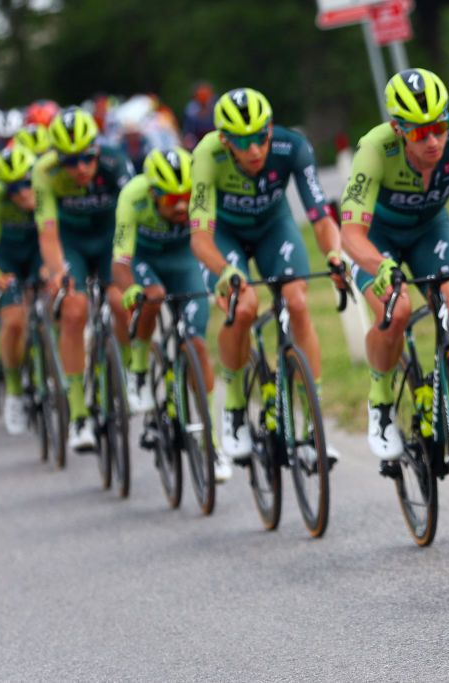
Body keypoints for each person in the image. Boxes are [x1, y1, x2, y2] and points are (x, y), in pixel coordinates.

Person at [339, 68, 449, 470]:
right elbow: (350, 233)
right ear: (397, 128)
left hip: (429, 230)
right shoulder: (375, 148)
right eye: (420, 133)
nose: (434, 140)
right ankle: (382, 402)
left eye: (438, 127)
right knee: (396, 310)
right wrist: (379, 264)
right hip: (377, 238)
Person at [189, 87, 343, 469]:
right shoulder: (207, 156)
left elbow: (320, 214)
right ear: (225, 140)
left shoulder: (293, 147)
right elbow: (199, 237)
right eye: (244, 141)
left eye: (261, 136)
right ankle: (236, 408)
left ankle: (311, 422)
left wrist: (335, 254)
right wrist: (225, 271)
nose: (255, 148)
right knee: (243, 308)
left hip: (274, 228)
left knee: (298, 301)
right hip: (225, 236)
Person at [112, 147, 231, 481]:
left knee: (197, 344)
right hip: (144, 261)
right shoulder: (132, 197)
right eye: (170, 199)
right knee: (153, 296)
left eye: (186, 196)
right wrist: (130, 288)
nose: (181, 205)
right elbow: (120, 261)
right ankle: (137, 368)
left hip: (184, 263)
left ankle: (212, 443)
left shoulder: (202, 191)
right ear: (152, 193)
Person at [34, 107, 135, 452]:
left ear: (97, 149)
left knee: (122, 304)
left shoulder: (115, 161)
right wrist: (58, 271)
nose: (80, 168)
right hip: (72, 244)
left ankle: (124, 377)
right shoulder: (44, 173)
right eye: (70, 161)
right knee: (74, 311)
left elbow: (133, 214)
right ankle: (78, 413)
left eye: (87, 158)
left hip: (110, 238)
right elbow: (47, 233)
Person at [0, 144, 39, 434]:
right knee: (14, 321)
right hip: (8, 259)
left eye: (27, 183)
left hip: (38, 252)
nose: (21, 192)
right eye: (13, 187)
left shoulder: (46, 187)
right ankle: (15, 390)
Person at [182, 82, 216, 151]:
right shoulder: (191, 110)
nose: (203, 98)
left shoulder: (217, 107)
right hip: (197, 144)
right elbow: (188, 132)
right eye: (200, 96)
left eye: (205, 95)